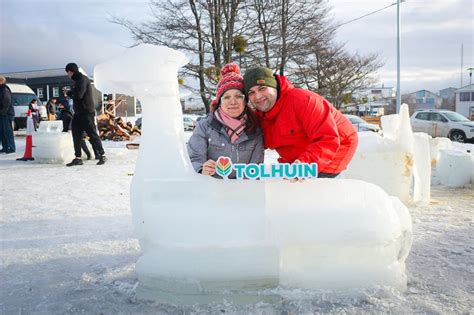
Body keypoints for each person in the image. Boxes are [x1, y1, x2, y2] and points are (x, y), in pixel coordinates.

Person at [243, 67, 358, 178]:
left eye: (262, 88)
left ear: (275, 87)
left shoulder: (303, 101)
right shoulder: (260, 115)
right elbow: (248, 141)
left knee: (311, 191)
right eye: (251, 92)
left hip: (335, 150)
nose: (257, 96)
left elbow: (327, 139)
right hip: (297, 158)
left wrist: (303, 166)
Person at [187, 63, 263, 178]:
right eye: (226, 97)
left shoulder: (254, 129)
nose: (233, 102)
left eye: (238, 96)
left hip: (243, 191)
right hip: (210, 190)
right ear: (219, 102)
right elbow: (194, 159)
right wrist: (202, 169)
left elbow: (255, 171)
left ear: (245, 101)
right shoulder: (205, 126)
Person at [64, 62, 106, 166]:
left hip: (87, 112)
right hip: (78, 113)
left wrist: (68, 92)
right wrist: (71, 92)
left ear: (70, 71)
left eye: (67, 73)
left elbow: (79, 95)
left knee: (92, 134)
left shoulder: (82, 79)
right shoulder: (78, 80)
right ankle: (78, 158)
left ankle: (102, 155)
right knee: (76, 134)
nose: (67, 75)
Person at [0, 76, 16, 154]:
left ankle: (12, 148)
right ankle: (5, 147)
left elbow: (7, 102)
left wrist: (3, 112)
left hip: (6, 114)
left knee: (8, 131)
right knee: (2, 132)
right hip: (2, 114)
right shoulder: (1, 89)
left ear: (1, 81)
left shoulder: (5, 89)